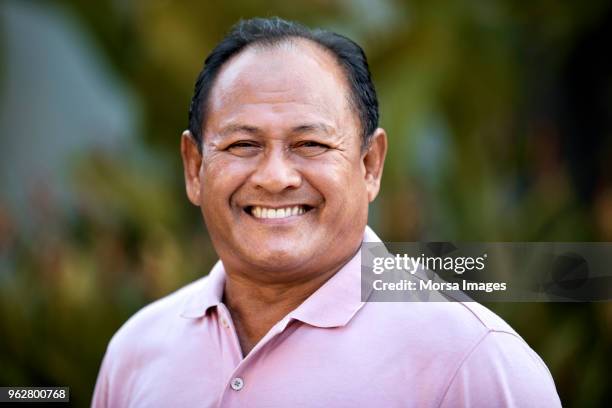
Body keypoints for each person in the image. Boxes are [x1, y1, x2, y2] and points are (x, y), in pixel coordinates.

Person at [92, 17, 561, 407]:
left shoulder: (472, 364)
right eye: (243, 144)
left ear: (370, 165)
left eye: (310, 144)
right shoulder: (136, 352)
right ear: (195, 168)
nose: (275, 177)